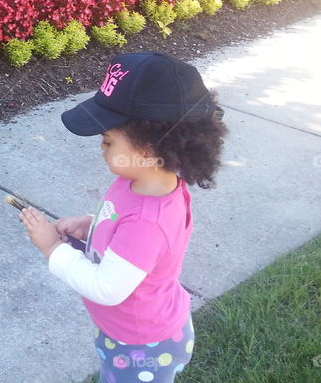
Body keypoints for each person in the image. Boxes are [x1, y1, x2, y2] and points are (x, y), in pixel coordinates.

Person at [18, 51, 227, 383]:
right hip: (138, 327)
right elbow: (128, 229)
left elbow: (106, 289)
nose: (101, 147)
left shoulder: (147, 222)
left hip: (140, 347)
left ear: (147, 149)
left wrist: (52, 249)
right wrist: (92, 224)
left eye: (107, 140)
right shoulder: (146, 182)